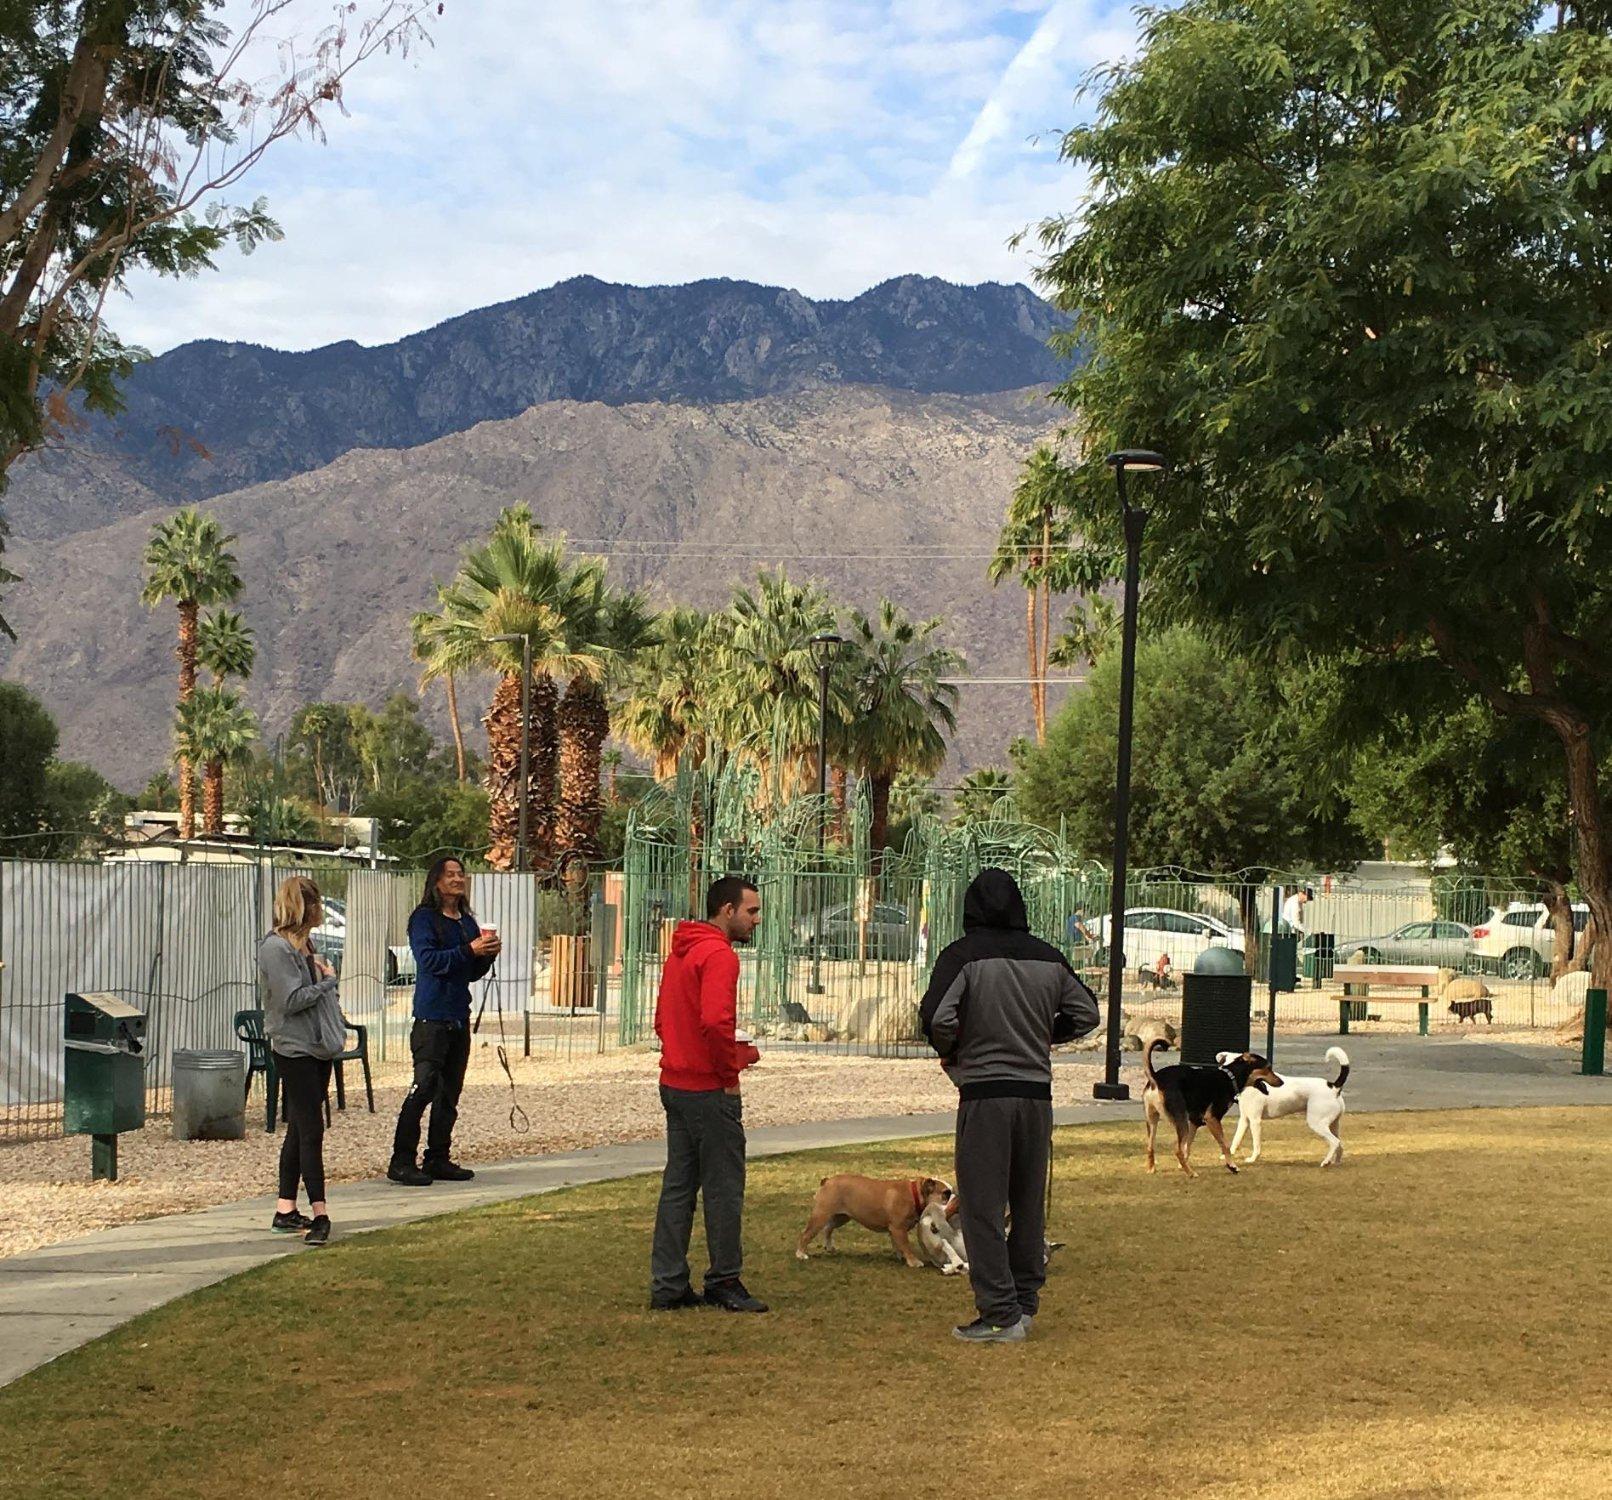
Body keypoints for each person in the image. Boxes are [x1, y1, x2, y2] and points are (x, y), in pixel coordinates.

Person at [920, 867, 1101, 1343]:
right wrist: (1045, 1034)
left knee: (981, 1206)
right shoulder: (1048, 957)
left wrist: (959, 1048)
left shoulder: (961, 957)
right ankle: (1023, 1304)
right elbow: (1087, 1013)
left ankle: (998, 1313)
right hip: (1036, 1097)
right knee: (1027, 1202)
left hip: (985, 1095)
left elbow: (938, 1016)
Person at [649, 875, 766, 1314]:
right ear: (727, 910)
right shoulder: (720, 956)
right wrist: (728, 1069)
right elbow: (717, 1022)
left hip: (674, 1082)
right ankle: (724, 1278)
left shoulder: (681, 951)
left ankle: (668, 1283)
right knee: (723, 1187)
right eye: (751, 911)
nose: (757, 920)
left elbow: (662, 1019)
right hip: (706, 1088)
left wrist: (682, 1052)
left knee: (678, 1185)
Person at [387, 856, 500, 1186]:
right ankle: (401, 1159)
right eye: (450, 875)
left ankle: (438, 1157)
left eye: (460, 874)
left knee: (449, 1092)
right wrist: (470, 950)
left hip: (458, 1016)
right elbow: (429, 961)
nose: (457, 879)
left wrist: (486, 954)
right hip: (431, 1018)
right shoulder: (424, 919)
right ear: (436, 881)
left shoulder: (465, 922)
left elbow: (469, 972)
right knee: (423, 1088)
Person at [257, 875, 348, 1247]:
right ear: (304, 906)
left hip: (317, 1047)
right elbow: (290, 1000)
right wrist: (328, 982)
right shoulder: (276, 949)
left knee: (298, 1129)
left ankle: (285, 1209)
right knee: (311, 1130)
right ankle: (321, 1214)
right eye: (317, 904)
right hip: (294, 1050)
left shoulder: (304, 944)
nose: (320, 910)